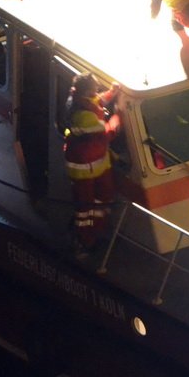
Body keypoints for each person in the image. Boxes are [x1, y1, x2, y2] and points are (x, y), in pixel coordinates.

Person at [63, 73, 121, 258]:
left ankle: (98, 232)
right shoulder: (83, 115)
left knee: (104, 197)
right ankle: (84, 242)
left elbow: (99, 101)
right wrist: (118, 117)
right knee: (85, 210)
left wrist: (112, 92)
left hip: (98, 162)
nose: (97, 90)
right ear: (87, 90)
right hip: (83, 168)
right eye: (95, 88)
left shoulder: (82, 100)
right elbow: (107, 133)